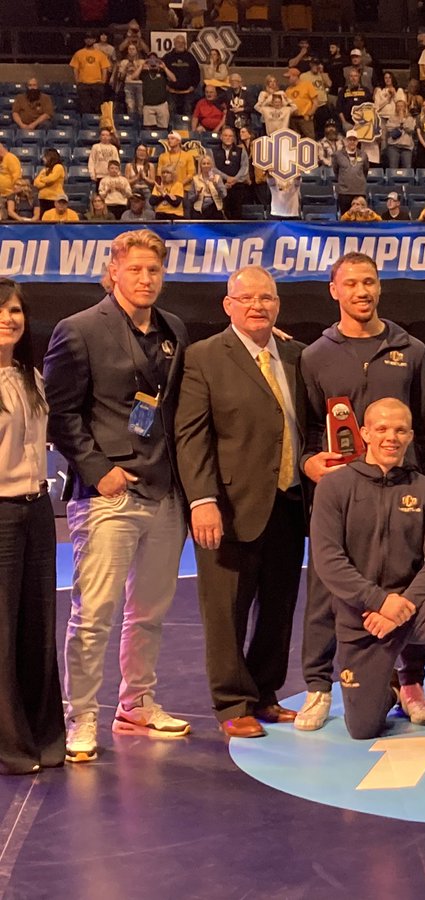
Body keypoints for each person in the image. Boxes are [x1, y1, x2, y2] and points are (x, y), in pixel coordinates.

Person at [43, 230, 192, 763]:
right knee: (94, 613)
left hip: (165, 491)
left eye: (154, 270)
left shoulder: (174, 328)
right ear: (114, 270)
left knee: (149, 611)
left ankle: (136, 703)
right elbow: (60, 415)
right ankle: (80, 715)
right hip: (109, 494)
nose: (146, 279)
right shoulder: (77, 330)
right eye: (136, 270)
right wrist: (98, 470)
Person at [295, 252, 425, 732]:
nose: (362, 292)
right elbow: (304, 430)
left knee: (409, 583)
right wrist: (307, 461)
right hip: (343, 495)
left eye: (370, 283)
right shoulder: (314, 356)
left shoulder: (412, 349)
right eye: (352, 284)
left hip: (405, 492)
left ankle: (411, 685)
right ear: (334, 290)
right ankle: (319, 687)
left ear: (379, 289)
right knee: (325, 588)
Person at [174, 266, 308, 739]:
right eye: (247, 298)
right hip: (229, 506)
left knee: (279, 606)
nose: (258, 305)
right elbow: (190, 437)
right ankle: (232, 703)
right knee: (226, 609)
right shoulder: (203, 358)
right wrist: (202, 499)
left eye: (267, 298)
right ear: (227, 305)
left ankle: (264, 693)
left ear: (278, 304)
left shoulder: (297, 354)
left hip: (291, 503)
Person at [308, 399, 425, 761]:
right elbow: (329, 561)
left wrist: (401, 604)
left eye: (400, 430)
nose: (391, 437)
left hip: (413, 608)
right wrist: (379, 601)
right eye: (381, 429)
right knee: (362, 729)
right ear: (364, 433)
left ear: (411, 435)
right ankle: (387, 691)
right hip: (362, 615)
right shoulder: (334, 489)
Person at [0, 281, 66, 775]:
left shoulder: (30, 376)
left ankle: (43, 734)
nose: (9, 318)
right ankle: (9, 744)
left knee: (37, 627)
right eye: (0, 310)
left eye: (16, 310)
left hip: (37, 510)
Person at [333, 133, 371, 214]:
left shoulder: (363, 155)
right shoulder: (338, 155)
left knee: (361, 217)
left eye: (354, 140)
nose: (352, 142)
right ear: (346, 141)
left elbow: (365, 171)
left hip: (360, 192)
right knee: (345, 218)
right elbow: (336, 171)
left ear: (357, 142)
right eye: (350, 140)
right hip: (344, 193)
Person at [189, 155, 227, 220]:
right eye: (204, 164)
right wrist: (197, 194)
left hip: (214, 208)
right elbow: (190, 198)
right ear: (200, 166)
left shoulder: (217, 178)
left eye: (208, 163)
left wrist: (216, 185)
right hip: (199, 209)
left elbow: (223, 195)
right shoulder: (195, 179)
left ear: (211, 165)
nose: (206, 165)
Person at [33, 149, 66, 216]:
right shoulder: (45, 170)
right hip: (42, 199)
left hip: (54, 199)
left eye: (45, 157)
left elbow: (51, 179)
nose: (43, 159)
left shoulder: (58, 167)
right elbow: (36, 183)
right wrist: (45, 182)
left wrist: (42, 179)